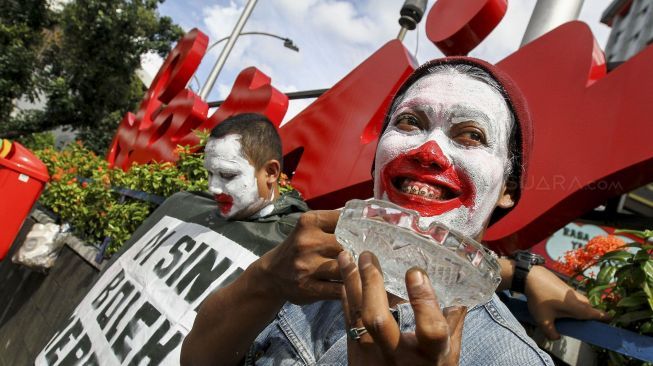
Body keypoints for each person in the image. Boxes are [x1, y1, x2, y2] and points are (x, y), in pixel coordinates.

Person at [181, 58, 608, 366]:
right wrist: (266, 280)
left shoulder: (511, 359)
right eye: (409, 123)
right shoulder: (303, 263)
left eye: (471, 135)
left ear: (507, 190)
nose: (429, 152)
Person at [36, 113, 309, 365]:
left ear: (271, 173)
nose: (213, 187)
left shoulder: (295, 243)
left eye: (227, 175)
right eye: (209, 173)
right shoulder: (185, 203)